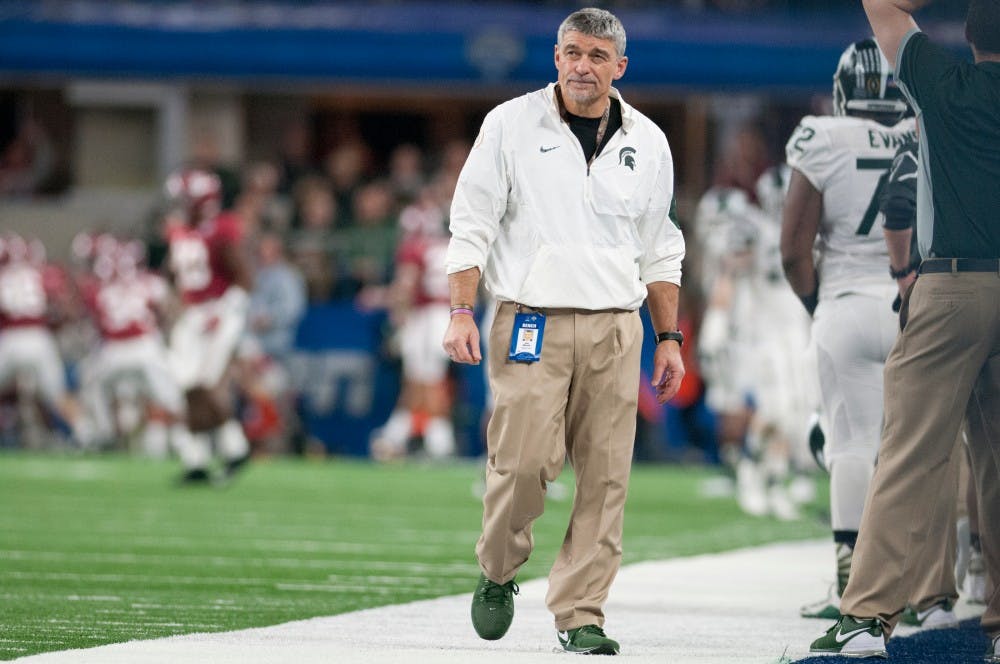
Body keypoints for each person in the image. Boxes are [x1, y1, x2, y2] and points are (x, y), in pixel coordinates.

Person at [442, 8, 685, 655]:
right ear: (556, 58)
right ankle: (498, 569)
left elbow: (661, 248)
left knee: (606, 479)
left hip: (614, 326)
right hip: (530, 318)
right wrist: (460, 310)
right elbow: (470, 224)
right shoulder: (510, 126)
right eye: (573, 53)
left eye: (597, 56)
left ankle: (581, 613)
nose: (583, 66)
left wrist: (668, 338)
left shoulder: (649, 141)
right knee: (522, 464)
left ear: (619, 67)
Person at [808, 0, 1000, 658]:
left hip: (951, 283)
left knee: (909, 453)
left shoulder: (941, 81)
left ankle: (868, 615)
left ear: (970, 37)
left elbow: (881, 4)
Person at [780, 37, 962, 627]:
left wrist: (819, 304)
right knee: (924, 452)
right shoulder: (924, 131)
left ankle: (851, 584)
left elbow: (793, 248)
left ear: (844, 89)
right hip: (919, 301)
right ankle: (932, 588)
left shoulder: (823, 136)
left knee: (852, 444)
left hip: (848, 302)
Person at [163, 167, 254, 484]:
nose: (178, 204)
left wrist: (224, 311)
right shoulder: (180, 230)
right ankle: (203, 458)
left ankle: (231, 450)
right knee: (187, 384)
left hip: (219, 312)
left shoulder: (222, 228)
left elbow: (244, 278)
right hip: (193, 314)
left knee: (202, 384)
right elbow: (178, 277)